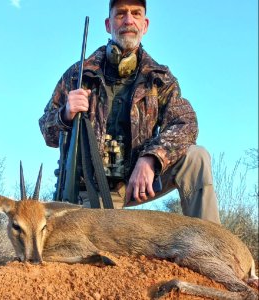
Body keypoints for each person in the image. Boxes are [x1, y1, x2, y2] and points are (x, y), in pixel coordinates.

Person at [39, 0, 221, 224]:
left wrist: (151, 159)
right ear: (108, 24)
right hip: (91, 190)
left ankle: (212, 245)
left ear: (144, 25)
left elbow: (186, 123)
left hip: (139, 182)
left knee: (196, 157)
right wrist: (65, 114)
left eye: (136, 14)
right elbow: (46, 132)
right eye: (120, 14)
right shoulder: (79, 74)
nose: (128, 20)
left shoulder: (159, 78)